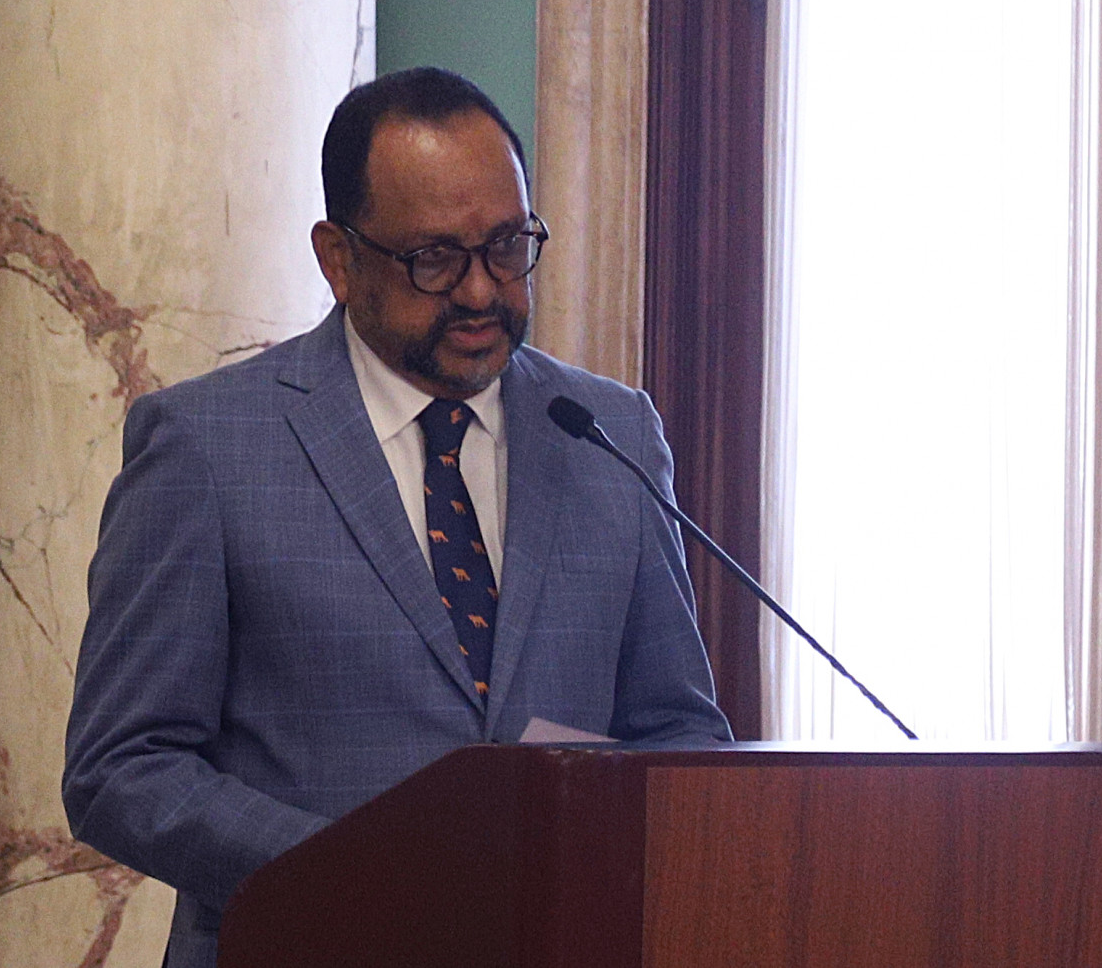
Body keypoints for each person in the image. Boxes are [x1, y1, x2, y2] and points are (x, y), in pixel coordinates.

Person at [62, 67, 731, 968]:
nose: (482, 291)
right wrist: (357, 872)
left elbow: (680, 735)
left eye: (507, 246)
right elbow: (120, 768)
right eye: (435, 259)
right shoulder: (207, 447)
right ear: (339, 260)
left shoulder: (609, 432)